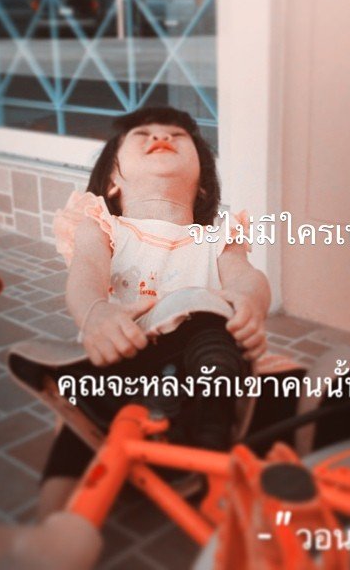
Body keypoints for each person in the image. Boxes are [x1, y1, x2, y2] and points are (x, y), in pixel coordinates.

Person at [37, 106, 270, 518]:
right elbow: (86, 273)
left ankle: (215, 455)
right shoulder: (104, 226)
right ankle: (54, 523)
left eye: (177, 137)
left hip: (201, 370)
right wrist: (96, 313)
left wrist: (249, 303)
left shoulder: (217, 237)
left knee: (230, 342)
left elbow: (247, 277)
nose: (161, 137)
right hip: (124, 359)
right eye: (142, 135)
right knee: (81, 400)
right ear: (113, 180)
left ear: (202, 186)